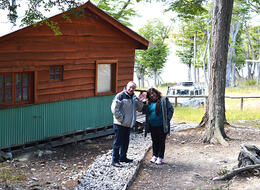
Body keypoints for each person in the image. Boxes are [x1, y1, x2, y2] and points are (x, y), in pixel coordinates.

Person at [111, 81, 144, 167]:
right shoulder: (120, 95)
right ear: (126, 86)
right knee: (117, 142)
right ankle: (115, 160)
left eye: (133, 88)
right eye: (130, 87)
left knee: (125, 142)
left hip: (128, 124)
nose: (131, 89)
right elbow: (114, 109)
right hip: (119, 124)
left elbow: (140, 108)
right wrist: (121, 119)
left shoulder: (134, 97)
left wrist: (140, 100)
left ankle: (123, 157)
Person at [143, 88, 174, 165]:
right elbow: (144, 111)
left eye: (153, 93)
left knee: (161, 141)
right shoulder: (148, 102)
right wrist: (143, 102)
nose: (152, 95)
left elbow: (171, 109)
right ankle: (154, 155)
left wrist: (167, 119)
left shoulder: (163, 100)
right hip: (152, 125)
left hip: (162, 125)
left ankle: (160, 157)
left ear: (156, 93)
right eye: (150, 94)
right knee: (154, 141)